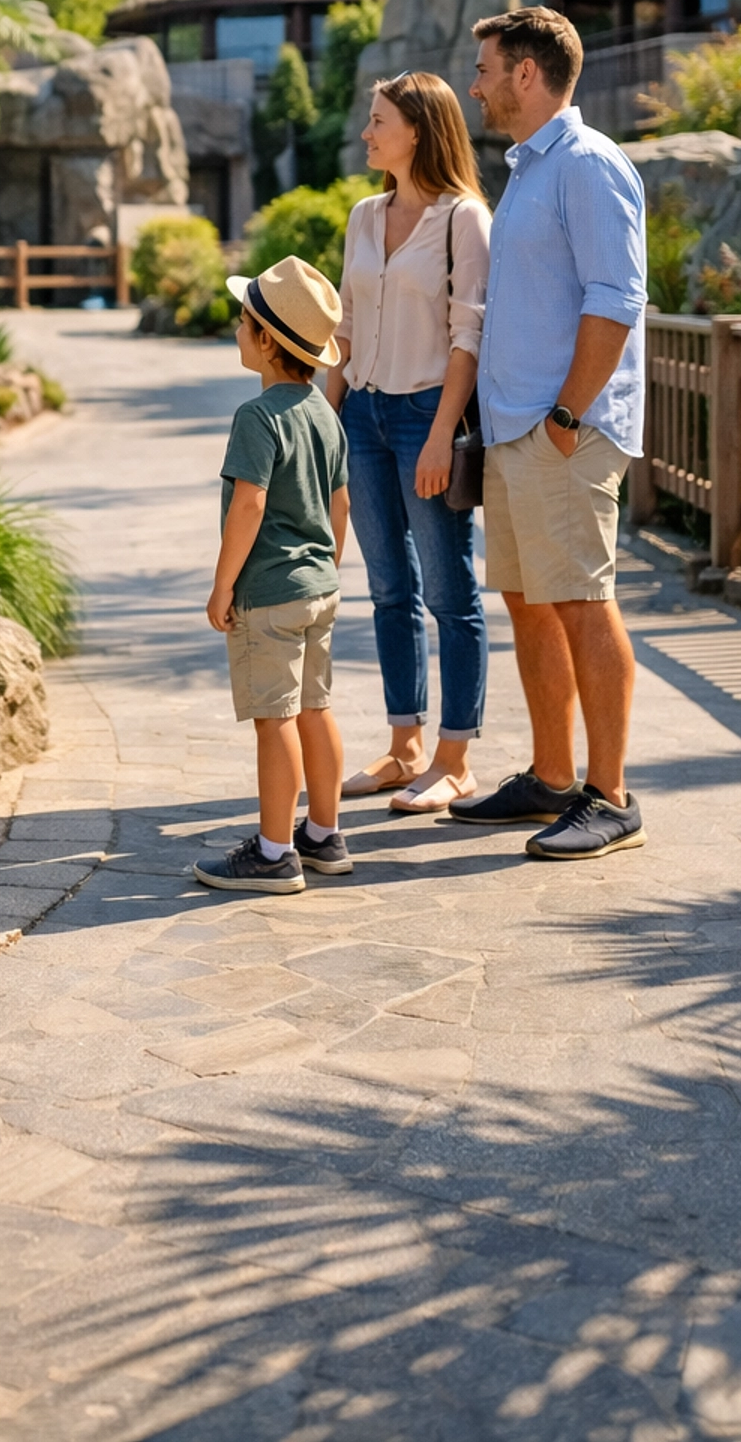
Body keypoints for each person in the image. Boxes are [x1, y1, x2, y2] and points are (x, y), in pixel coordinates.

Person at [449, 5, 649, 859]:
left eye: (486, 69)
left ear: (526, 73)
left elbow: (617, 299)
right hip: (518, 430)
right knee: (531, 604)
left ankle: (612, 798)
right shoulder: (531, 168)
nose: (476, 86)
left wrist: (567, 415)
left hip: (563, 430)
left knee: (581, 602)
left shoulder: (589, 164)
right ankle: (554, 778)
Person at [324, 73, 491, 813]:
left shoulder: (464, 219)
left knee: (450, 594)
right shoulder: (364, 215)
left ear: (418, 130)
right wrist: (325, 424)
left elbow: (468, 338)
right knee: (389, 590)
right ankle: (404, 749)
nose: (367, 133)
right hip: (361, 415)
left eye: (379, 121)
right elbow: (345, 326)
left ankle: (455, 760)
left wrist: (441, 435)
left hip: (428, 414)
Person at [194, 255, 352, 896]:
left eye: (242, 322)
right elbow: (340, 504)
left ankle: (274, 852)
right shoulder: (324, 414)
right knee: (315, 708)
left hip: (269, 594)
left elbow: (249, 505)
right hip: (318, 589)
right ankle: (325, 834)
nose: (237, 330)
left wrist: (223, 585)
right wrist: (326, 567)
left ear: (265, 341)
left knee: (275, 719)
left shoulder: (257, 418)